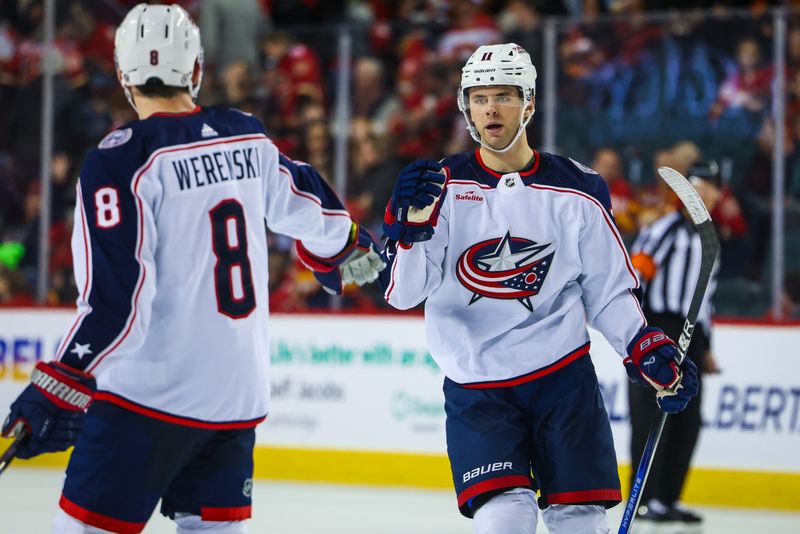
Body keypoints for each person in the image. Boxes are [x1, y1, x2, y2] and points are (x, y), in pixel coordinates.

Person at [0, 4, 384, 533]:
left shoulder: (122, 160)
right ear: (197, 69)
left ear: (122, 74)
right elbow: (322, 216)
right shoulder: (247, 135)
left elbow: (119, 303)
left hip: (148, 398)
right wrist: (347, 252)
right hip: (235, 398)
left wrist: (61, 381)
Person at [379, 42, 699, 534]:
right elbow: (403, 294)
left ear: (529, 103)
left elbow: (609, 290)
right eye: (480, 97)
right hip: (478, 386)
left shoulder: (578, 188)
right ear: (467, 106)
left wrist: (641, 344)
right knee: (505, 517)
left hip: (563, 382)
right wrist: (411, 229)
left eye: (504, 96)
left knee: (579, 521)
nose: (491, 108)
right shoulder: (437, 187)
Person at [628, 160, 722, 524]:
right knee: (651, 412)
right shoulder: (667, 228)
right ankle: (646, 497)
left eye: (711, 186)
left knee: (688, 419)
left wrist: (707, 345)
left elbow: (706, 298)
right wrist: (638, 331)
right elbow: (637, 272)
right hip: (658, 328)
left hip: (692, 332)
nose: (704, 193)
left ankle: (669, 496)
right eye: (698, 184)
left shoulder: (711, 239)